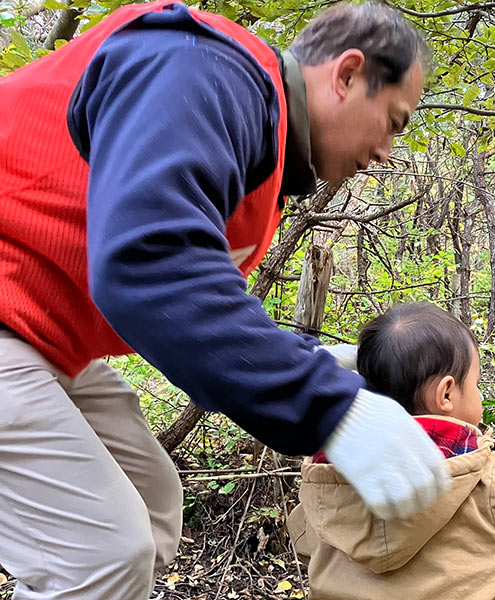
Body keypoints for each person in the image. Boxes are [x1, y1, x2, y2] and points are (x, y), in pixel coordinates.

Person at [0, 2, 450, 598]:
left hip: (40, 335)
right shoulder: (201, 67)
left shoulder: (254, 152)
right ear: (346, 75)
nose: (388, 151)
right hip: (12, 317)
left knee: (150, 500)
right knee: (103, 554)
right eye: (393, 121)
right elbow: (151, 263)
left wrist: (321, 359)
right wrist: (327, 407)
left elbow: (198, 304)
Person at [288, 302, 495, 600]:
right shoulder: (479, 478)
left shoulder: (330, 475)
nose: (480, 393)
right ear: (447, 395)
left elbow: (304, 539)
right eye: (477, 383)